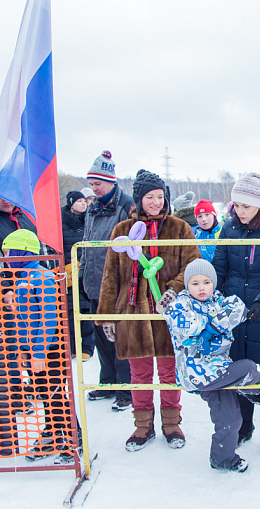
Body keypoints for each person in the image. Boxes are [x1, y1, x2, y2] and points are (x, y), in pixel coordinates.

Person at [96, 169, 200, 451]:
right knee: (139, 374)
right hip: (133, 313)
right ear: (139, 199)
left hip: (170, 313)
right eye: (149, 197)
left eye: (159, 196)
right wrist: (107, 316)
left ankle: (171, 423)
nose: (155, 202)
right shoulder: (122, 231)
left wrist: (173, 290)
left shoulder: (180, 228)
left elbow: (194, 267)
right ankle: (142, 427)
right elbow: (110, 276)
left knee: (169, 373)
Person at [165, 259, 260, 472]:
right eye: (195, 283)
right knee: (249, 369)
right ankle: (258, 389)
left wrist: (212, 327)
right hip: (197, 371)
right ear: (187, 285)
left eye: (206, 282)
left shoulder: (218, 300)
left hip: (220, 368)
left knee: (231, 420)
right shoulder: (179, 304)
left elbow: (238, 309)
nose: (201, 288)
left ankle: (223, 459)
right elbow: (189, 326)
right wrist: (216, 323)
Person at [212, 171, 260, 456]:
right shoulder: (229, 228)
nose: (239, 211)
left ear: (259, 204)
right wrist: (215, 300)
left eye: (245, 205)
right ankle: (244, 428)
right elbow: (219, 268)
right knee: (241, 372)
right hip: (233, 314)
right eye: (236, 205)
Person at [1, 229, 65, 461]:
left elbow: (49, 317)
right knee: (43, 391)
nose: (6, 260)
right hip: (33, 351)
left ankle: (68, 436)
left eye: (9, 254)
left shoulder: (42, 277)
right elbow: (24, 318)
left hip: (50, 349)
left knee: (55, 393)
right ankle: (52, 429)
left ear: (22, 252)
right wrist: (24, 350)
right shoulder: (21, 279)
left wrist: (38, 352)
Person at [79, 150, 135, 411]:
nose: (94, 189)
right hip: (92, 282)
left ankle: (126, 386)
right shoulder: (91, 209)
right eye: (91, 185)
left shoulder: (126, 206)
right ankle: (109, 380)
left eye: (97, 184)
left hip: (116, 284)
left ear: (111, 181)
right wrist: (82, 276)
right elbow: (88, 244)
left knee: (120, 336)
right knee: (101, 335)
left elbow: (133, 247)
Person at [61, 191, 94, 360]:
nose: (83, 203)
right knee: (70, 311)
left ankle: (88, 347)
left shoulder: (90, 218)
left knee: (86, 309)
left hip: (85, 270)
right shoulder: (61, 220)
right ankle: (73, 346)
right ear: (71, 203)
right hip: (67, 271)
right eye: (79, 200)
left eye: (84, 200)